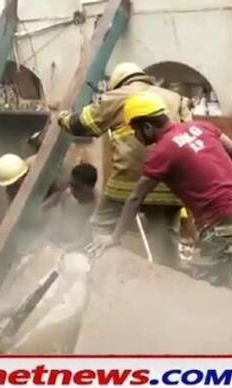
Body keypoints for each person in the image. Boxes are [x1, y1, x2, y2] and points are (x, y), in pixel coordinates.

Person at [89, 91, 232, 303]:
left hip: (221, 220)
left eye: (135, 131)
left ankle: (212, 335)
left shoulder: (162, 152)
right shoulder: (201, 127)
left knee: (206, 291)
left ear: (147, 127)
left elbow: (135, 198)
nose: (136, 137)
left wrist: (114, 237)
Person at [57, 62, 192, 269]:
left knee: (100, 226)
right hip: (169, 184)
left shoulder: (117, 96)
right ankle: (168, 286)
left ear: (119, 83)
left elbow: (82, 124)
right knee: (165, 242)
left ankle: (96, 272)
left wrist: (62, 117)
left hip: (127, 182)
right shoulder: (175, 98)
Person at [0, 153, 67, 203]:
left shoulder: (42, 166)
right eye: (10, 186)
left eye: (16, 184)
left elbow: (63, 188)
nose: (13, 188)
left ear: (24, 175)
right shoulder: (11, 191)